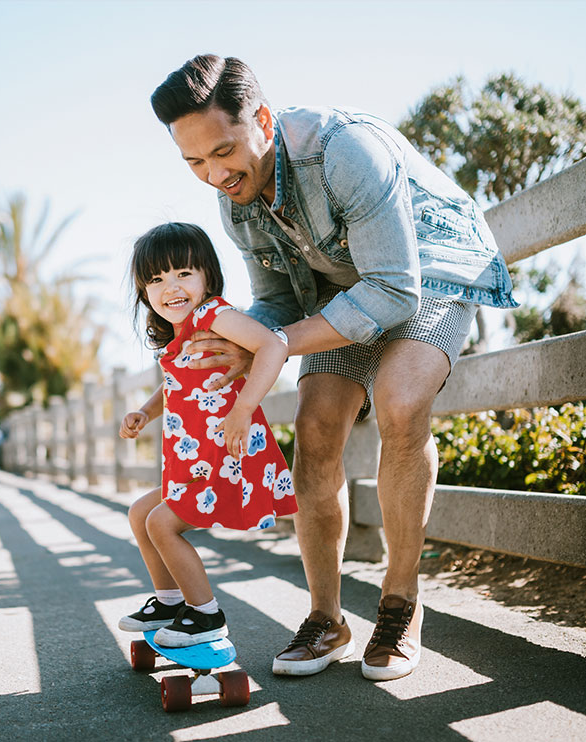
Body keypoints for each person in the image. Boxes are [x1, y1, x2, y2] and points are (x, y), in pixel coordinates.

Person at [150, 55, 518, 679]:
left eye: (223, 151)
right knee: (316, 429)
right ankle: (327, 618)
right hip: (335, 298)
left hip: (428, 278)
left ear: (261, 119)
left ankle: (401, 603)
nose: (215, 174)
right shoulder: (235, 201)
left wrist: (269, 344)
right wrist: (246, 339)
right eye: (194, 163)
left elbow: (395, 291)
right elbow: (280, 301)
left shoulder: (345, 150)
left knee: (401, 403)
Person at [116, 222, 297, 648]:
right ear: (144, 292)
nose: (171, 287)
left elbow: (272, 345)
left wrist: (244, 407)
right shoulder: (181, 334)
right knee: (141, 514)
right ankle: (169, 601)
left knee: (162, 524)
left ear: (207, 277)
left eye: (183, 273)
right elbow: (178, 384)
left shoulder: (213, 314)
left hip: (226, 454)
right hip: (197, 461)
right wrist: (144, 411)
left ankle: (205, 614)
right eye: (156, 279)